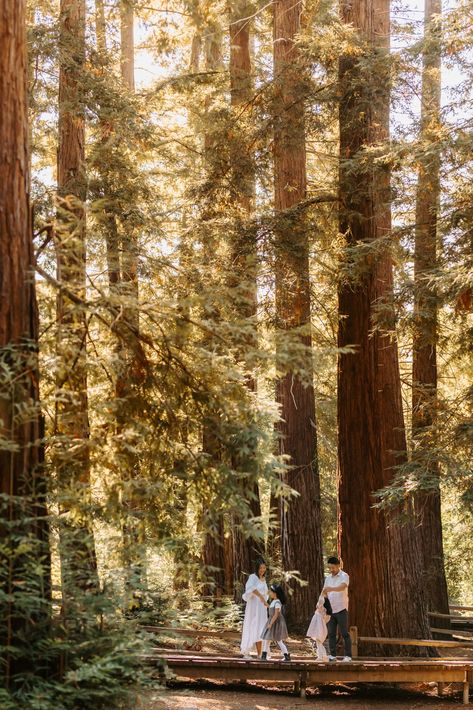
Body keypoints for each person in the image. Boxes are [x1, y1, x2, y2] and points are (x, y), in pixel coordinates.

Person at [322, 556, 352, 662]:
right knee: (331, 633)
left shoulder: (344, 576)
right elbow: (324, 592)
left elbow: (343, 587)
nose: (331, 570)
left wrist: (332, 589)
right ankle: (332, 655)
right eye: (329, 568)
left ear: (338, 566)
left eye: (333, 567)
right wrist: (320, 603)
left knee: (344, 633)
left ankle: (348, 656)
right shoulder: (328, 578)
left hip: (341, 608)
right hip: (331, 609)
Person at [240, 558, 269, 659]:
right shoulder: (253, 577)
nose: (262, 570)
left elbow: (266, 593)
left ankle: (260, 654)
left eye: (264, 568)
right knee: (252, 626)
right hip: (254, 607)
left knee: (261, 629)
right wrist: (261, 597)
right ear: (257, 568)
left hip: (261, 609)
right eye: (261, 568)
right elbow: (251, 588)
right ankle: (246, 652)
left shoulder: (264, 579)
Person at [260, 584, 291, 662]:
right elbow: (271, 608)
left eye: (271, 592)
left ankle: (286, 655)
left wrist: (270, 623)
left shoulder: (277, 602)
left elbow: (276, 614)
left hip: (276, 623)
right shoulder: (274, 601)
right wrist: (265, 604)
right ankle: (264, 656)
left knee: (278, 640)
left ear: (275, 593)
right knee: (267, 639)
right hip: (272, 621)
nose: (270, 593)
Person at [306, 593, 331, 661]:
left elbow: (320, 600)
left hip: (319, 627)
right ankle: (322, 656)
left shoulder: (320, 611)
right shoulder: (322, 613)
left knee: (319, 641)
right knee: (318, 642)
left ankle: (322, 656)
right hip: (320, 626)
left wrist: (322, 595)